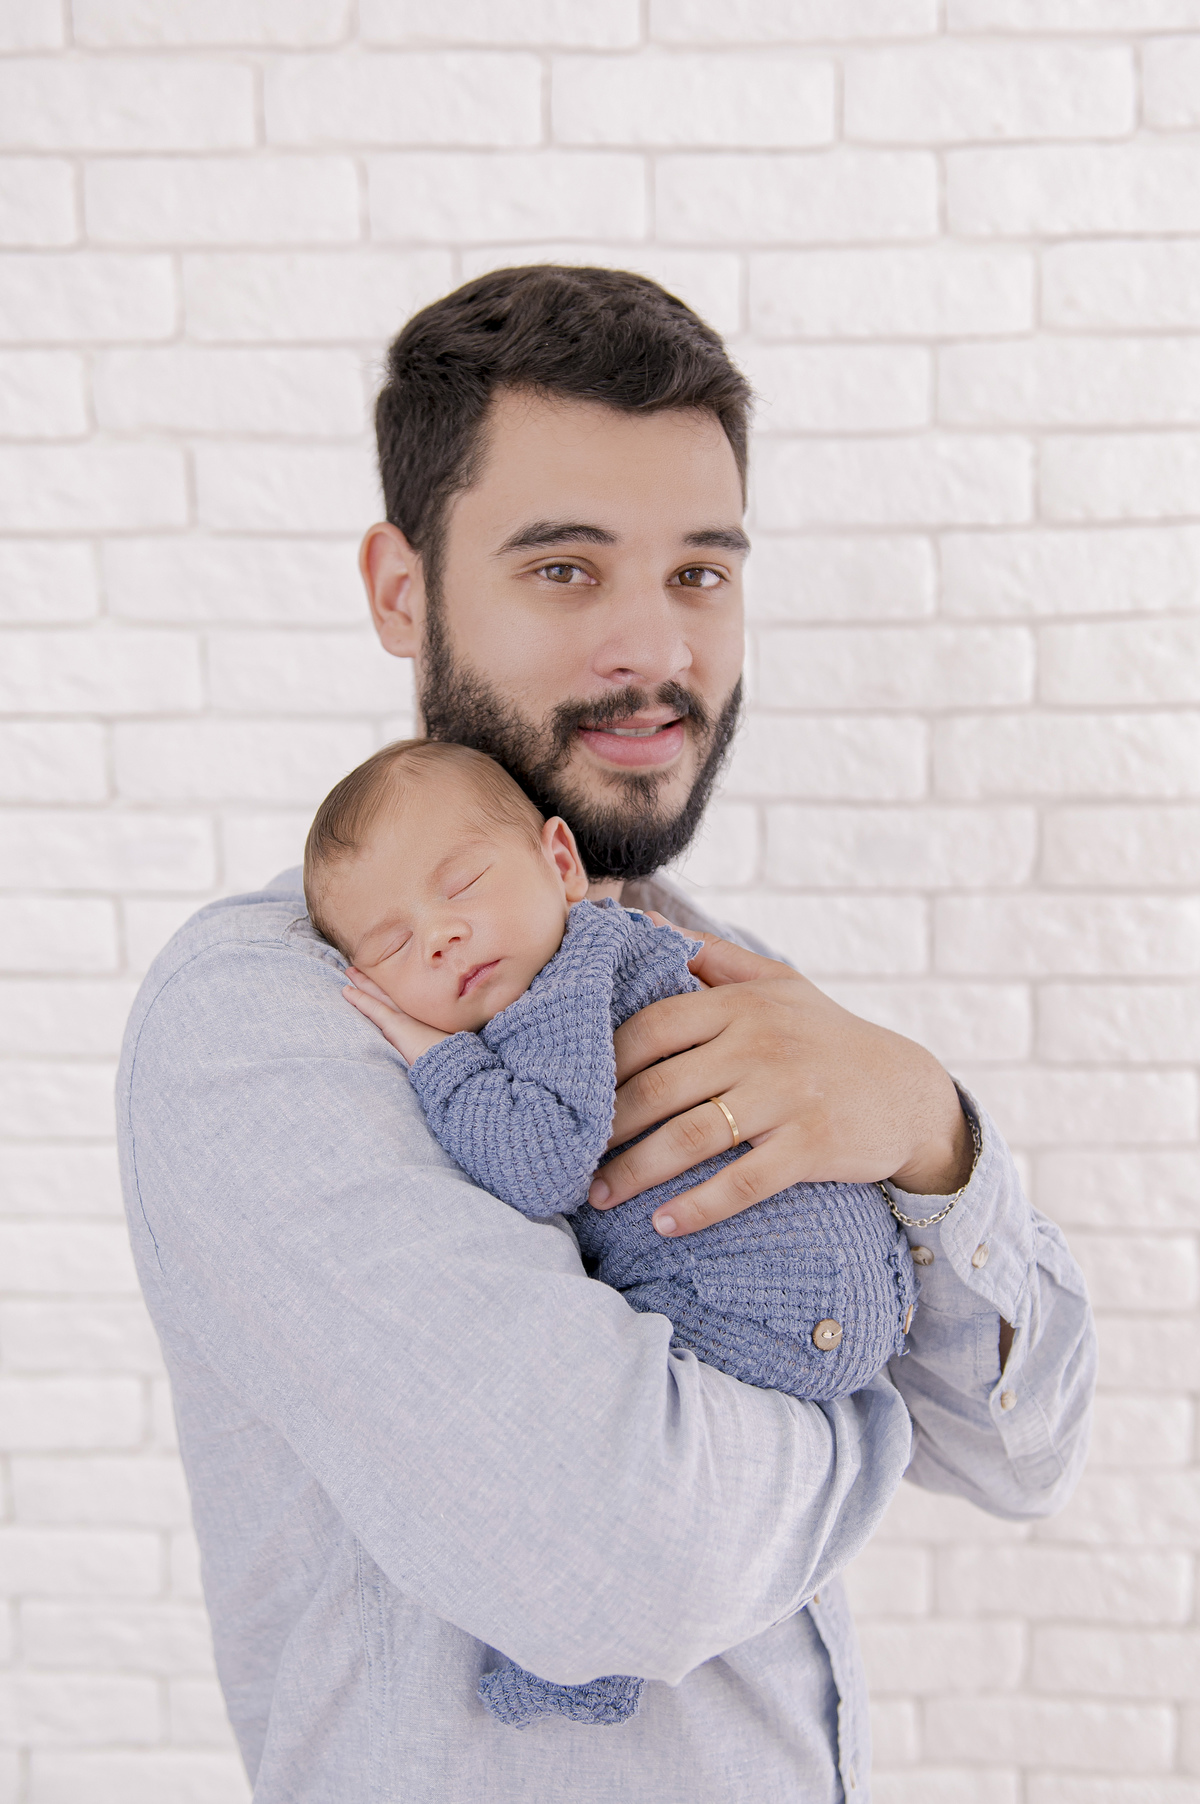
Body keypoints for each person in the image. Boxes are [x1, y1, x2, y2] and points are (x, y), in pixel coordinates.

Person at [117, 266, 1096, 1804]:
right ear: (401, 590)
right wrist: (858, 1412)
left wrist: (929, 1129)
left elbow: (1028, 1452)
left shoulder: (737, 985)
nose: (653, 648)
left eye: (700, 572)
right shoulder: (271, 1020)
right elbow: (628, 1565)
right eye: (565, 569)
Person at [302, 735, 921, 1728]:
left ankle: (586, 1661)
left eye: (462, 886)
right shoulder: (610, 953)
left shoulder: (568, 979)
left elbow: (541, 1162)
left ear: (560, 862)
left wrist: (431, 1056)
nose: (442, 937)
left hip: (766, 1299)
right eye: (391, 946)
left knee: (595, 1472)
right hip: (856, 1277)